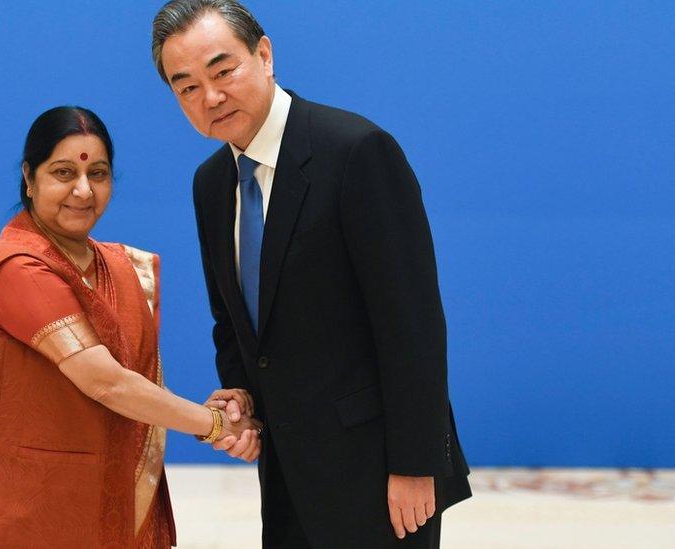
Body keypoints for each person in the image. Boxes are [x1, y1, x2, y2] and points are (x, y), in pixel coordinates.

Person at [151, 1, 473, 547]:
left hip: (380, 470)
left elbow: (411, 323)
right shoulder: (211, 184)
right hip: (287, 473)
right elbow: (233, 323)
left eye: (222, 70)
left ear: (265, 54)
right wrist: (241, 399)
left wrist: (418, 464)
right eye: (186, 87)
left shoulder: (355, 152)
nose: (210, 97)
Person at [0, 106, 262, 548]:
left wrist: (230, 402)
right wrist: (213, 424)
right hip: (28, 513)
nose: (82, 190)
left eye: (98, 173)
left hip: (115, 503)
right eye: (62, 173)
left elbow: (138, 381)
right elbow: (106, 382)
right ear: (29, 177)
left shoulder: (121, 267)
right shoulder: (20, 270)